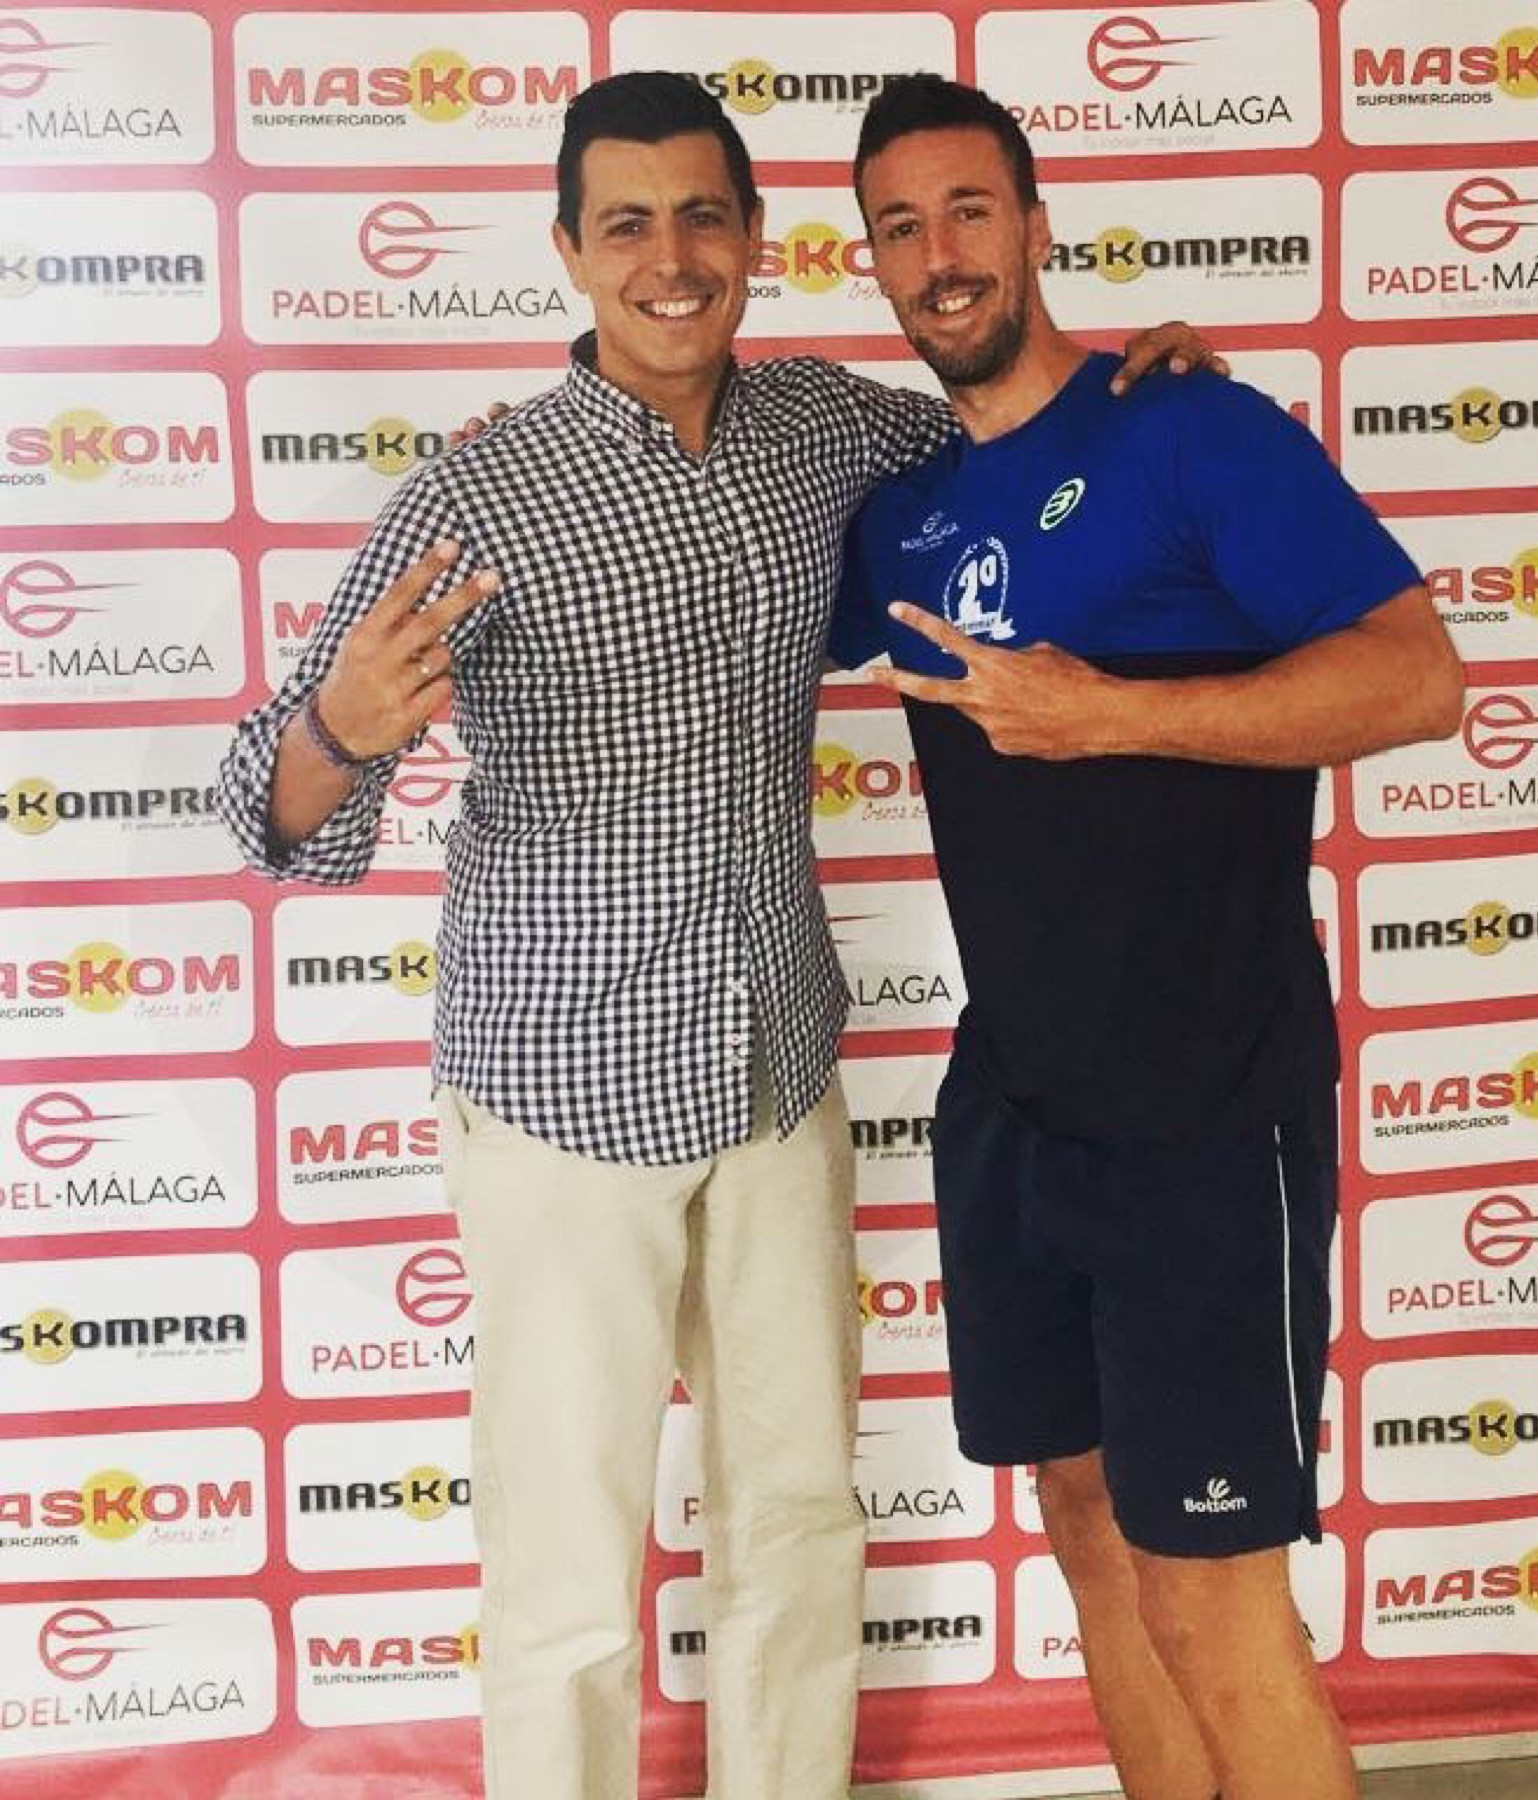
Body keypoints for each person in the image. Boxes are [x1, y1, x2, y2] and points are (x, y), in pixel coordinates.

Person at [217, 71, 1216, 1800]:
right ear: (569, 252)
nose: (669, 258)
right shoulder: (481, 497)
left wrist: (1148, 388)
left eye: (703, 217)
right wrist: (340, 732)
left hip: (772, 1070)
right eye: (628, 224)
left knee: (802, 1521)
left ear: (755, 239)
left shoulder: (824, 426)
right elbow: (261, 802)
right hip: (560, 1094)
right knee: (565, 1571)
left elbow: (1008, 425)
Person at [831, 76, 1465, 1800]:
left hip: (1207, 1105)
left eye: (971, 210)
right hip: (1017, 1102)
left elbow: (1418, 679)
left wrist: (1107, 714)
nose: (941, 256)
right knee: (1086, 1523)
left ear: (1038, 228)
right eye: (901, 227)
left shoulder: (1192, 431)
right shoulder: (901, 512)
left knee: (1210, 1595)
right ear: (874, 263)